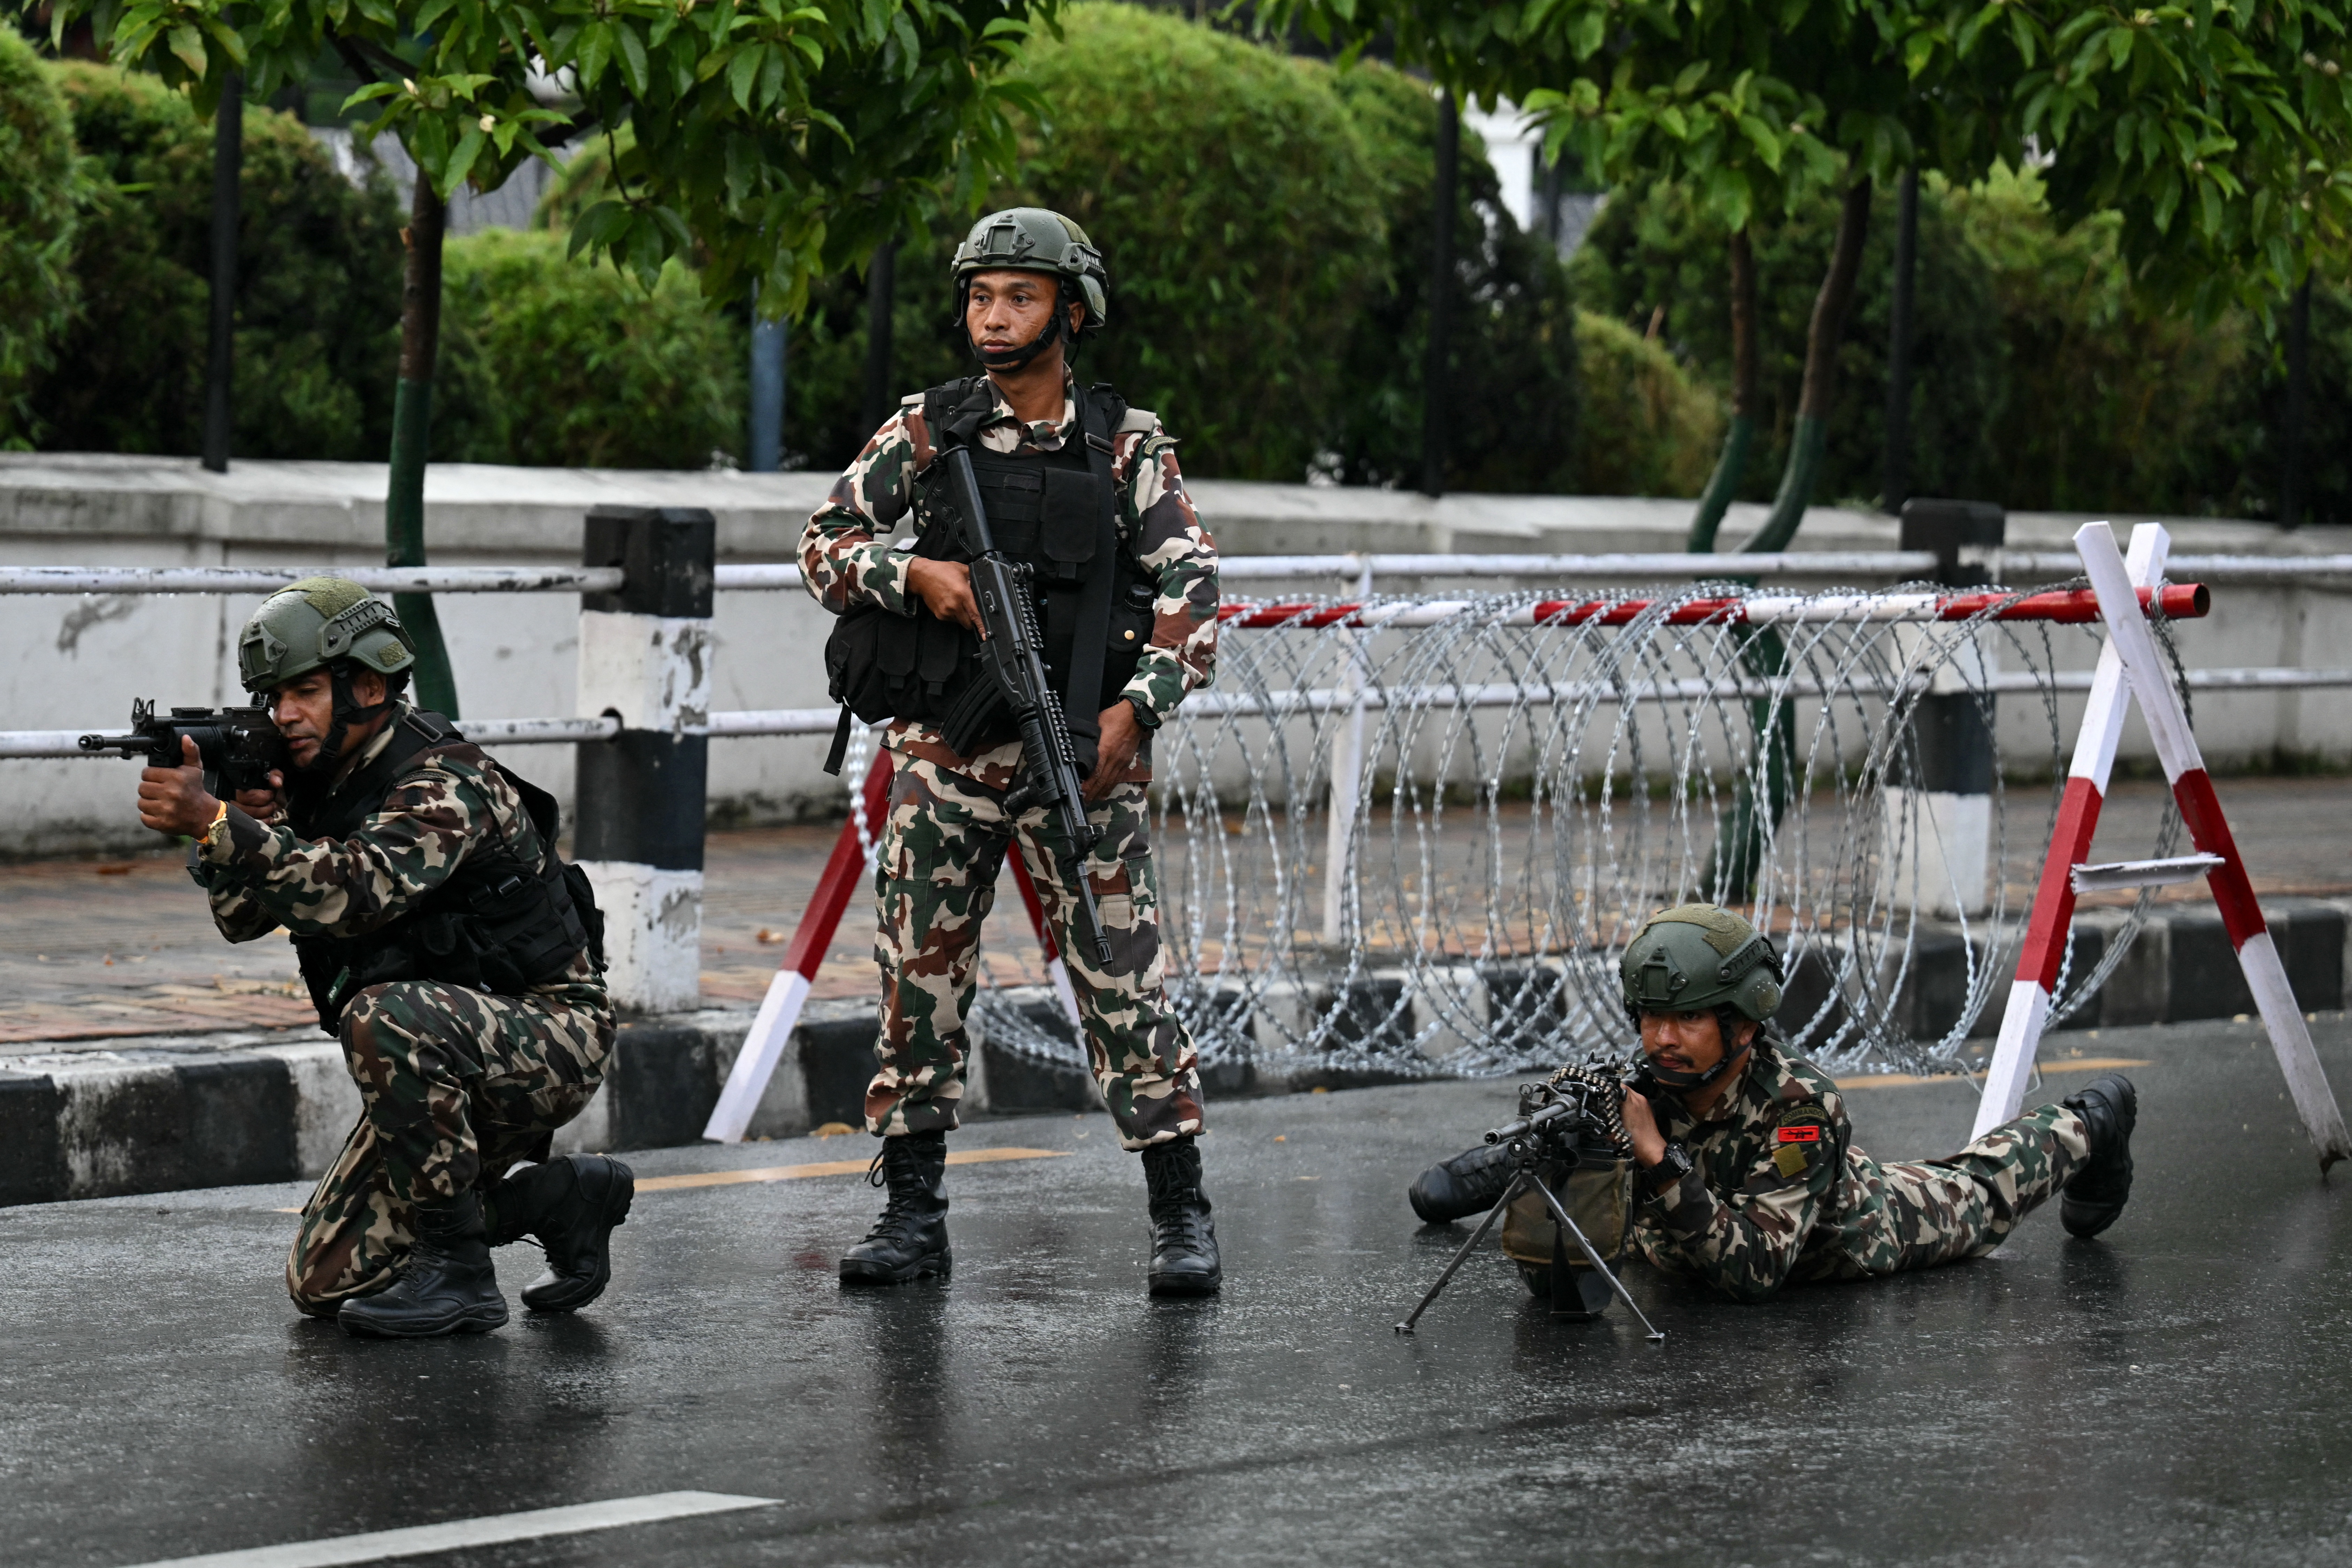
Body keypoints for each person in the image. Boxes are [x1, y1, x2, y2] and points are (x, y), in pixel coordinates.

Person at [800, 208, 1223, 1295]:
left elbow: (1192, 590)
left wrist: (1135, 715)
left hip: (1079, 753)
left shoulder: (1126, 443)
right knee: (917, 981)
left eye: (1019, 297)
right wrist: (920, 579)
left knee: (1121, 980)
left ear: (1070, 312)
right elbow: (823, 542)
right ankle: (910, 1214)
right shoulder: (928, 430)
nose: (993, 316)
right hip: (943, 755)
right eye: (981, 296)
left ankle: (1180, 1212)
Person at [134, 576, 633, 1337]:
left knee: (382, 1016)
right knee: (322, 1282)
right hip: (444, 1047)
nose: (285, 716)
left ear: (367, 684)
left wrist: (214, 822)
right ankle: (556, 1202)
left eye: (303, 691)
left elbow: (353, 892)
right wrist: (243, 817)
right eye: (273, 699)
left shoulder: (443, 783)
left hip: (551, 1036)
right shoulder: (315, 784)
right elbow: (242, 919)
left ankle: (463, 1277)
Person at [1406, 904, 2137, 1302]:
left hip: (1859, 1231)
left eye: (1686, 1020)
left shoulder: (1800, 1107)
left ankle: (2094, 1119)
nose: (1661, 1039)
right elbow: (1451, 1189)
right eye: (1649, 1018)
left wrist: (1655, 1158)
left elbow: (1755, 1271)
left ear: (1744, 1023)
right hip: (1705, 1248)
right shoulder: (1651, 1081)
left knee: (1980, 1185)